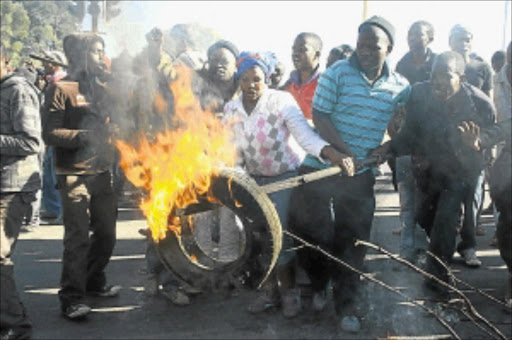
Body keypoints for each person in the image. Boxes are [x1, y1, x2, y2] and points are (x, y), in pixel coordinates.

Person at [288, 16, 410, 333]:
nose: (366, 50)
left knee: (353, 241)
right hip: (320, 168)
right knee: (311, 233)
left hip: (360, 175)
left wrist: (388, 148)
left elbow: (402, 127)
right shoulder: (337, 73)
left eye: (374, 45)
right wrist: (342, 153)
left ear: (390, 48)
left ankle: (347, 306)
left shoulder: (400, 86)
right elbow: (320, 115)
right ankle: (318, 285)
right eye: (361, 44)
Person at [223, 51, 349, 319]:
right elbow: (228, 148)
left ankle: (289, 293)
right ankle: (269, 293)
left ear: (266, 78)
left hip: (284, 178)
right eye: (244, 79)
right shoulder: (231, 109)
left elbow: (305, 137)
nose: (250, 85)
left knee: (278, 238)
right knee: (256, 239)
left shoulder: (281, 102)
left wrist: (330, 153)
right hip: (251, 181)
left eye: (256, 78)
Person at [372, 51, 495, 296]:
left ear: (461, 77)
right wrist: (390, 148)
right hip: (427, 171)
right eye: (433, 75)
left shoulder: (480, 104)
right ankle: (439, 265)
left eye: (444, 76)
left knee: (444, 225)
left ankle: (437, 289)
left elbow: (487, 149)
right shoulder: (419, 94)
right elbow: (410, 133)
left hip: (461, 173)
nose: (437, 81)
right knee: (424, 218)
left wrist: (475, 145)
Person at [43, 33, 121, 320]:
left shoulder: (101, 87)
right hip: (73, 174)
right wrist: (87, 136)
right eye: (96, 51)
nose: (102, 56)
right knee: (77, 238)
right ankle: (71, 298)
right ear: (79, 54)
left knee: (107, 234)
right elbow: (49, 134)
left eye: (103, 51)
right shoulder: (60, 89)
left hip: (102, 172)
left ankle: (93, 280)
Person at [0, 53, 42, 340]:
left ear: (4, 61)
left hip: (12, 186)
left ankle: (16, 324)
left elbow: (31, 141)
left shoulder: (17, 90)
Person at [391, 20, 437, 264]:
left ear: (430, 37)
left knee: (426, 204)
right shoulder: (401, 65)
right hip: (406, 142)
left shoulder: (438, 63)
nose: (412, 38)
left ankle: (426, 253)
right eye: (409, 34)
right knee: (407, 202)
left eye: (418, 34)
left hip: (431, 148)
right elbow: (396, 106)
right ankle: (407, 251)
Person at [449, 24, 494, 264]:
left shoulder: (481, 66)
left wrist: (487, 144)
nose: (463, 43)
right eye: (458, 39)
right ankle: (443, 245)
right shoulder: (443, 63)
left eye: (467, 39)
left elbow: (490, 105)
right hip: (447, 143)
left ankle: (469, 247)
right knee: (447, 198)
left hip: (476, 143)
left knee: (473, 197)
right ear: (449, 42)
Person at [39, 51, 67, 225]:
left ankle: (57, 209)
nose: (44, 64)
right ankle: (52, 208)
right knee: (49, 174)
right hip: (51, 134)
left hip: (56, 135)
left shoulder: (58, 81)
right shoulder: (50, 81)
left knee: (54, 174)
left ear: (55, 64)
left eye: (47, 62)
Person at [281, 32, 322, 122]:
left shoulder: (324, 86)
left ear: (317, 54)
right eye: (294, 49)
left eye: (302, 49)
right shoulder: (288, 86)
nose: (295, 54)